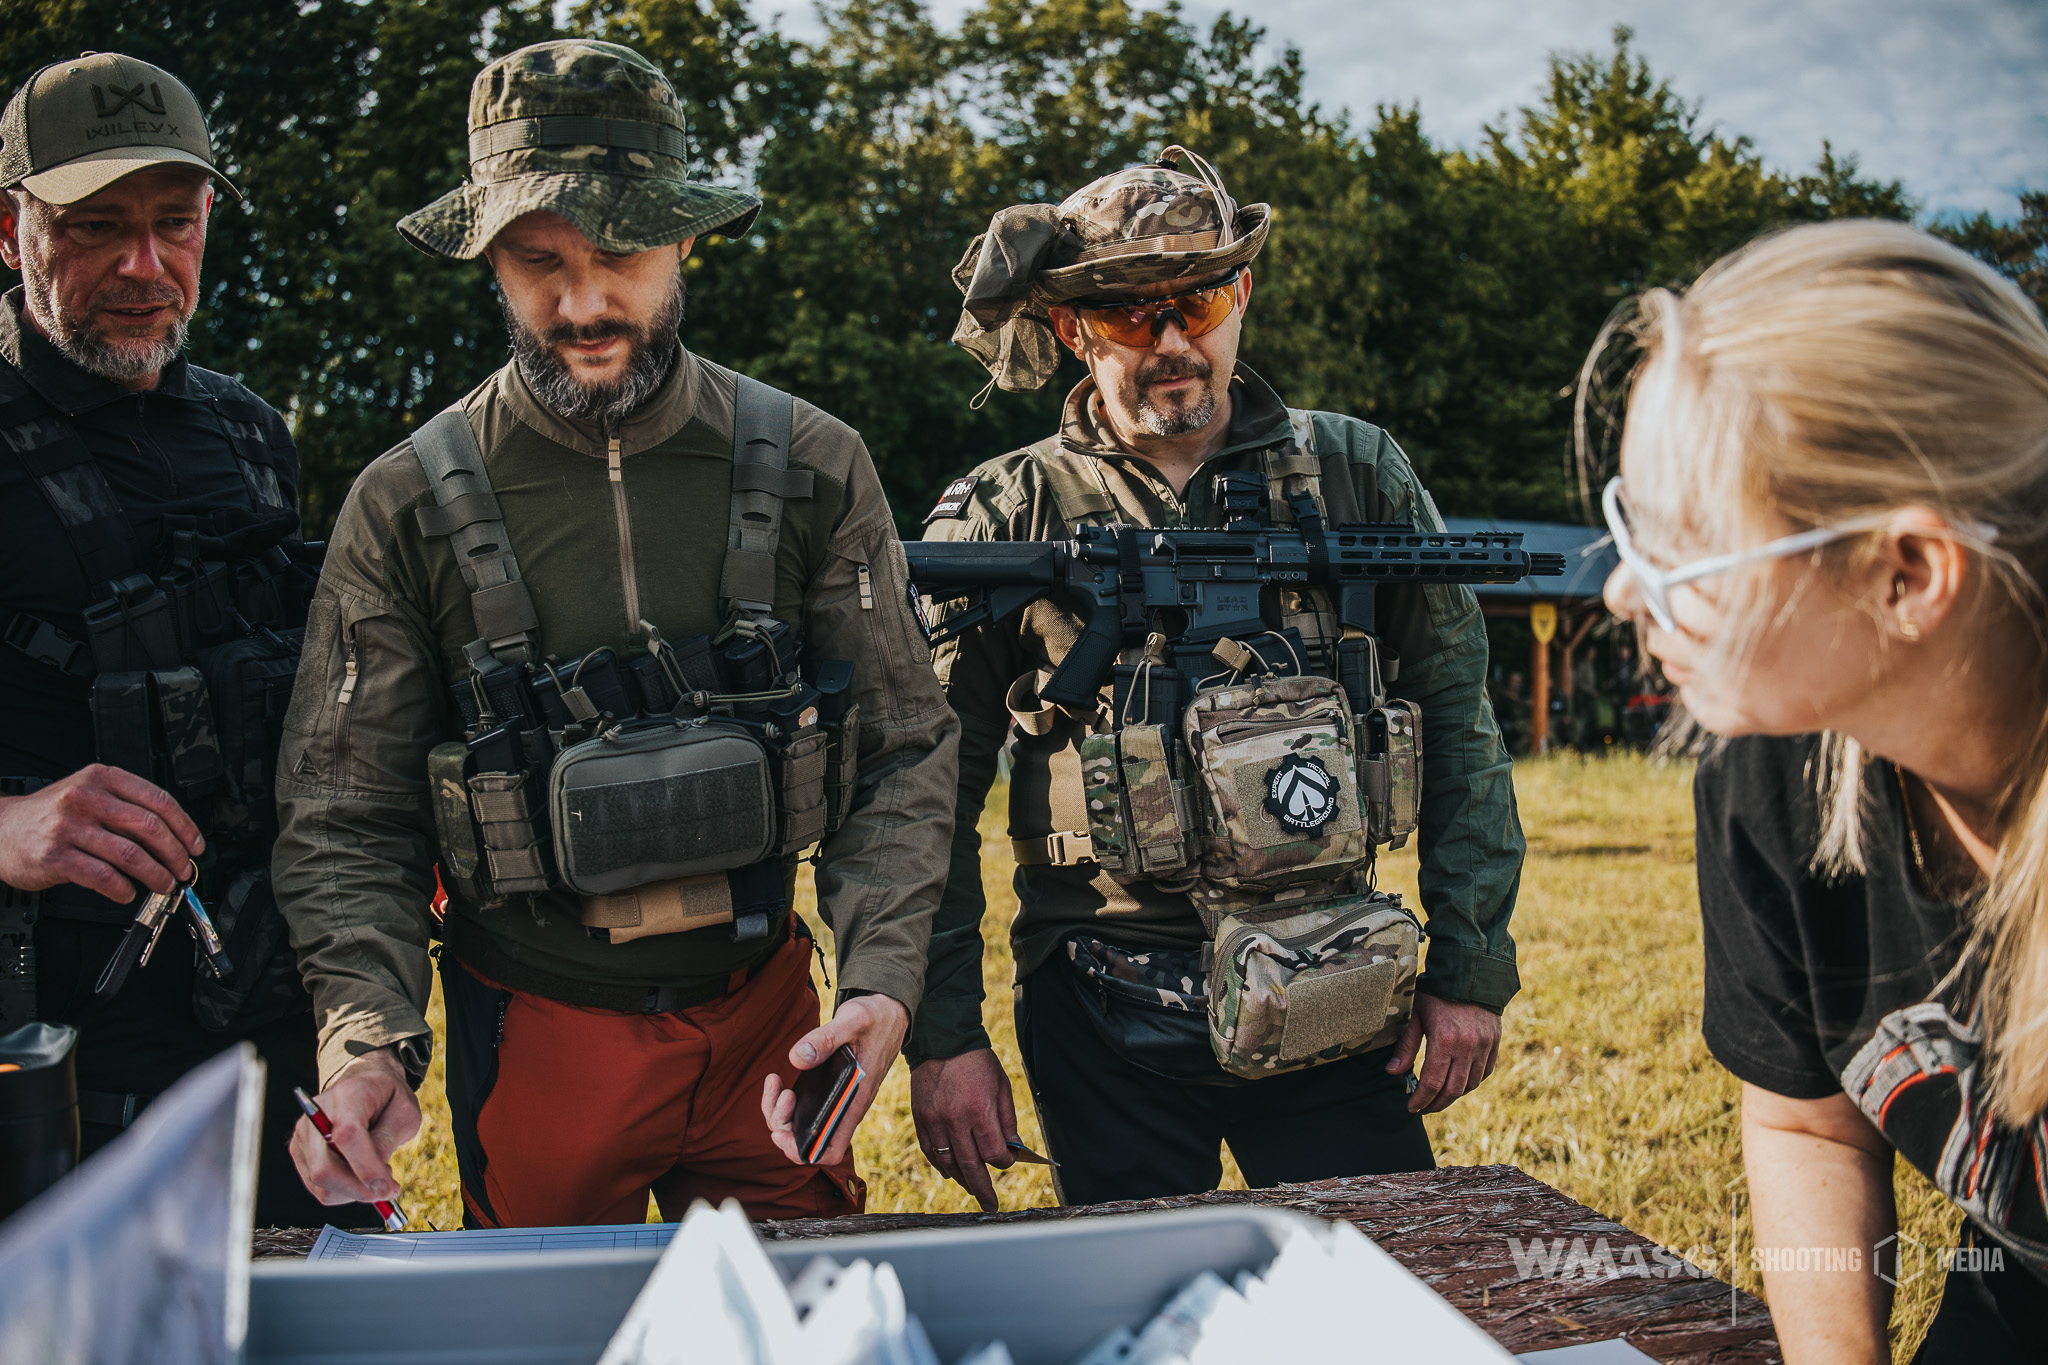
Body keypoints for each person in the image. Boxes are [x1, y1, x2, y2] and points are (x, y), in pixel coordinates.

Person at [275, 40, 957, 1227]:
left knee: (801, 1323)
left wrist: (883, 984)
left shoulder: (811, 463)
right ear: (487, 254)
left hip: (769, 1034)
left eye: (621, 255)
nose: (584, 304)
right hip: (538, 1028)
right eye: (539, 261)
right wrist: (367, 1043)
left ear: (685, 238)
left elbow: (901, 745)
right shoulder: (405, 503)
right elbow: (343, 810)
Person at [909, 150, 1522, 1208]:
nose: (1173, 343)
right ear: (1071, 331)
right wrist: (942, 1034)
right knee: (1134, 1308)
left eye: (1198, 300)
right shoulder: (1007, 510)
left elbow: (1459, 721)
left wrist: (1468, 972)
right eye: (1127, 316)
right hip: (1100, 994)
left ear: (1240, 294)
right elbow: (924, 786)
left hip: (1332, 972)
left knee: (1382, 1285)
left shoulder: (1354, 472)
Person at [1595, 220, 2048, 1359]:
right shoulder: (1771, 765)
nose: (1617, 590)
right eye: (1627, 520)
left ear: (1905, 576)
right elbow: (1808, 1123)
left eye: (1682, 546)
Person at [0, 53, 357, 1225]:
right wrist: (6, 829)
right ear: (10, 230)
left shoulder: (250, 435)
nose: (145, 268)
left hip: (262, 1022)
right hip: (53, 1054)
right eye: (96, 228)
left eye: (176, 223)